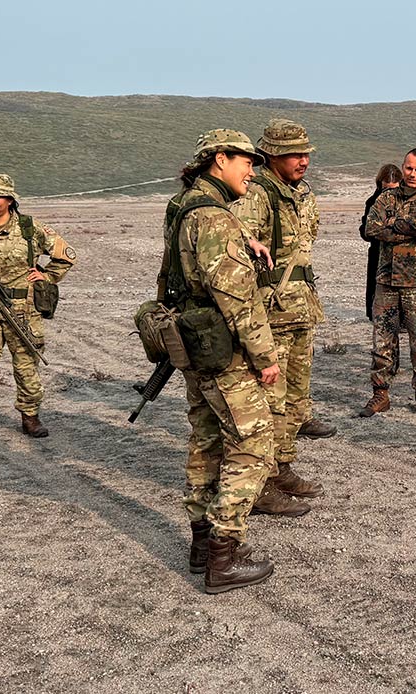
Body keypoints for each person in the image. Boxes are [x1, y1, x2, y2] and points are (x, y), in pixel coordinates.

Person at [165, 129, 279, 593]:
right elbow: (237, 299)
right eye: (245, 161)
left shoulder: (184, 209)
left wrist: (244, 237)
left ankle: (199, 543)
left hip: (193, 346)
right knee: (254, 444)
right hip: (222, 349)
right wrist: (265, 355)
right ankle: (223, 554)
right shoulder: (213, 219)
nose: (252, 170)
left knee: (207, 438)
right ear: (219, 160)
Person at [229, 118, 326, 518]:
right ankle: (262, 482)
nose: (303, 160)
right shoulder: (258, 195)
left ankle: (282, 467)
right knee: (270, 401)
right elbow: (238, 248)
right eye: (293, 154)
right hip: (272, 312)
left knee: (296, 399)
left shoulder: (299, 193)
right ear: (271, 155)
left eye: (305, 153)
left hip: (300, 307)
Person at [0, 174, 77, 443]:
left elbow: (67, 255)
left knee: (27, 367)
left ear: (10, 200)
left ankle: (30, 416)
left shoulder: (30, 229)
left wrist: (46, 276)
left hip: (23, 311)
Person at [358, 148, 416, 417]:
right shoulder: (386, 197)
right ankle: (380, 394)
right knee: (382, 342)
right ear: (403, 167)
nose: (412, 174)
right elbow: (371, 228)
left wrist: (392, 226)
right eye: (409, 168)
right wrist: (405, 228)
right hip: (386, 282)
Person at [360, 164, 403, 321]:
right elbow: (367, 231)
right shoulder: (373, 202)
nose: (389, 194)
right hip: (378, 253)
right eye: (386, 190)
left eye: (394, 189)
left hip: (402, 254)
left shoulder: (407, 202)